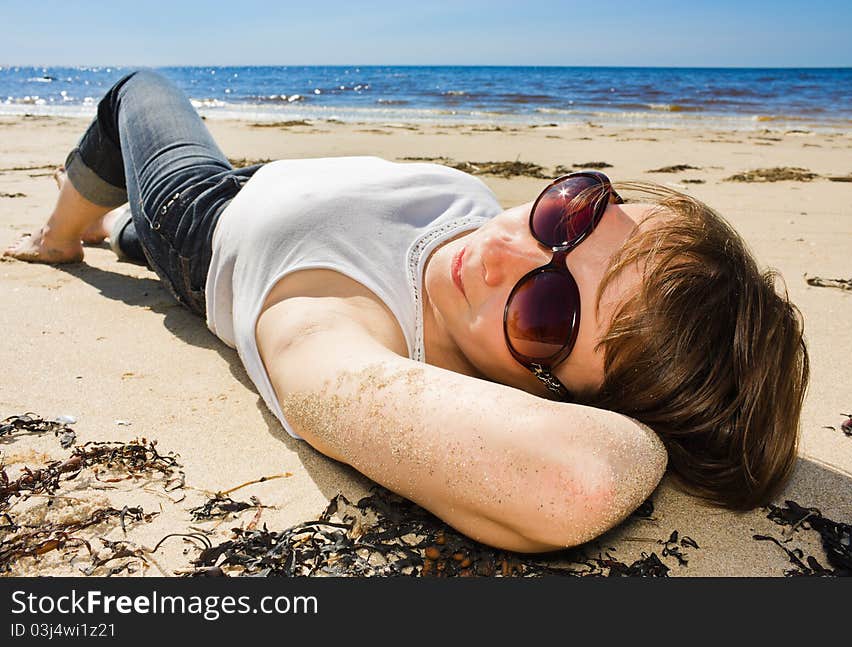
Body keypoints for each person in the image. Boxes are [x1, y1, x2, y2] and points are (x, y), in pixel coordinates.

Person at [4, 70, 810, 553]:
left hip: (206, 216)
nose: (503, 253)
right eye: (573, 211)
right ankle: (116, 225)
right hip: (287, 176)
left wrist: (664, 436)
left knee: (137, 96)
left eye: (546, 312)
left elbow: (580, 475)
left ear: (548, 395)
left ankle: (59, 235)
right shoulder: (495, 259)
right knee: (129, 227)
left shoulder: (335, 334)